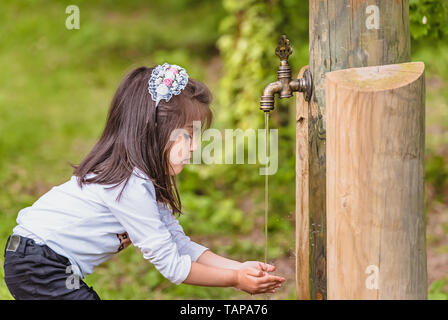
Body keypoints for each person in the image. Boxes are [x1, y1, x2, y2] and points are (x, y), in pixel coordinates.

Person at [3, 63, 285, 300]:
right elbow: (172, 265)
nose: (195, 146)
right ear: (154, 132)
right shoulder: (129, 184)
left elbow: (179, 244)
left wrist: (239, 268)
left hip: (35, 259)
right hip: (38, 264)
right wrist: (234, 279)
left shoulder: (142, 179)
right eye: (188, 135)